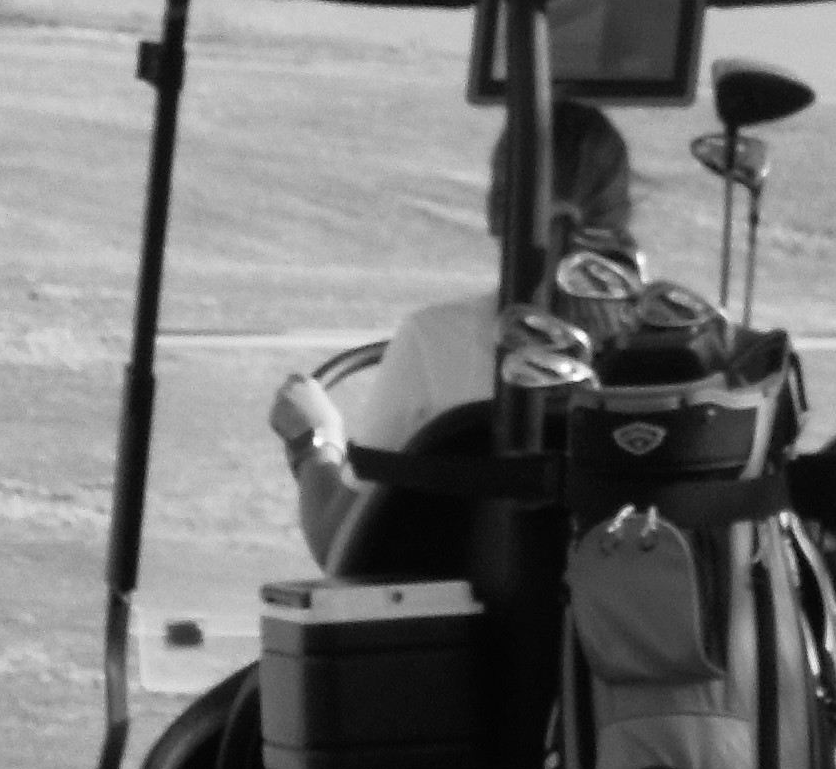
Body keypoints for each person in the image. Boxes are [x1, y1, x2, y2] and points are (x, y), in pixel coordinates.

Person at [267, 97, 636, 570]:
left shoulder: (433, 342)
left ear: (496, 211)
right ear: (622, 216)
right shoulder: (674, 354)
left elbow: (338, 546)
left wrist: (313, 443)